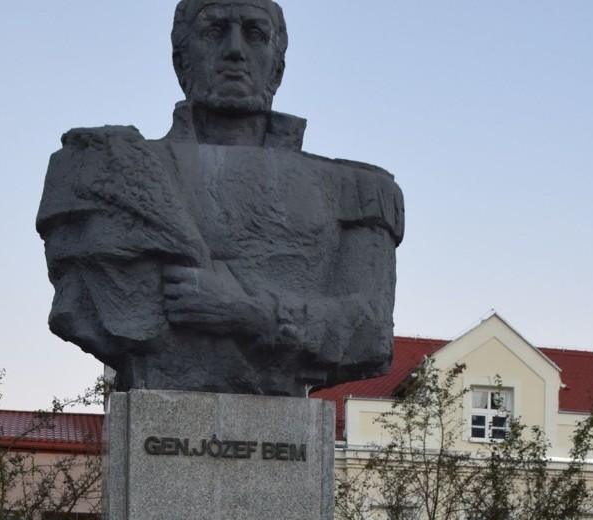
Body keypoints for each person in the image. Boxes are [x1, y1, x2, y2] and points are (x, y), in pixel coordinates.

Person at [36, 0, 404, 396]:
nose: (234, 49)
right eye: (215, 31)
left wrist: (244, 312)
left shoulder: (359, 189)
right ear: (181, 61)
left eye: (254, 34)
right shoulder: (105, 172)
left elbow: (370, 330)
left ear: (277, 66)